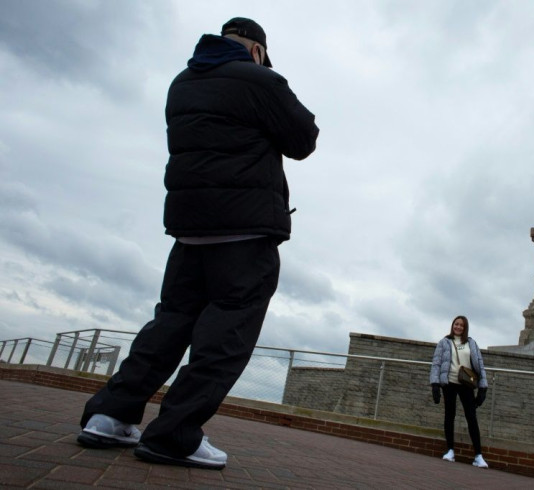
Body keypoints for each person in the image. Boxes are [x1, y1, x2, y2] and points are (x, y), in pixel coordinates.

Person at [76, 17, 319, 470]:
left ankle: (110, 415)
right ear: (257, 50)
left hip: (190, 229)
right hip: (245, 233)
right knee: (225, 337)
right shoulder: (260, 78)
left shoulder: (181, 82)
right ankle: (174, 435)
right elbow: (304, 138)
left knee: (169, 325)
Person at [430, 315, 489, 468]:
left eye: (461, 325)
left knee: (471, 417)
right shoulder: (444, 342)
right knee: (449, 415)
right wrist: (435, 384)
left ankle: (478, 455)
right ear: (452, 325)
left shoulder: (471, 343)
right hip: (449, 382)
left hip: (466, 384)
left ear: (465, 327)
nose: (458, 327)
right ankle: (450, 450)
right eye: (456, 324)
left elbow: (480, 365)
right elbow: (436, 363)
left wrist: (483, 387)